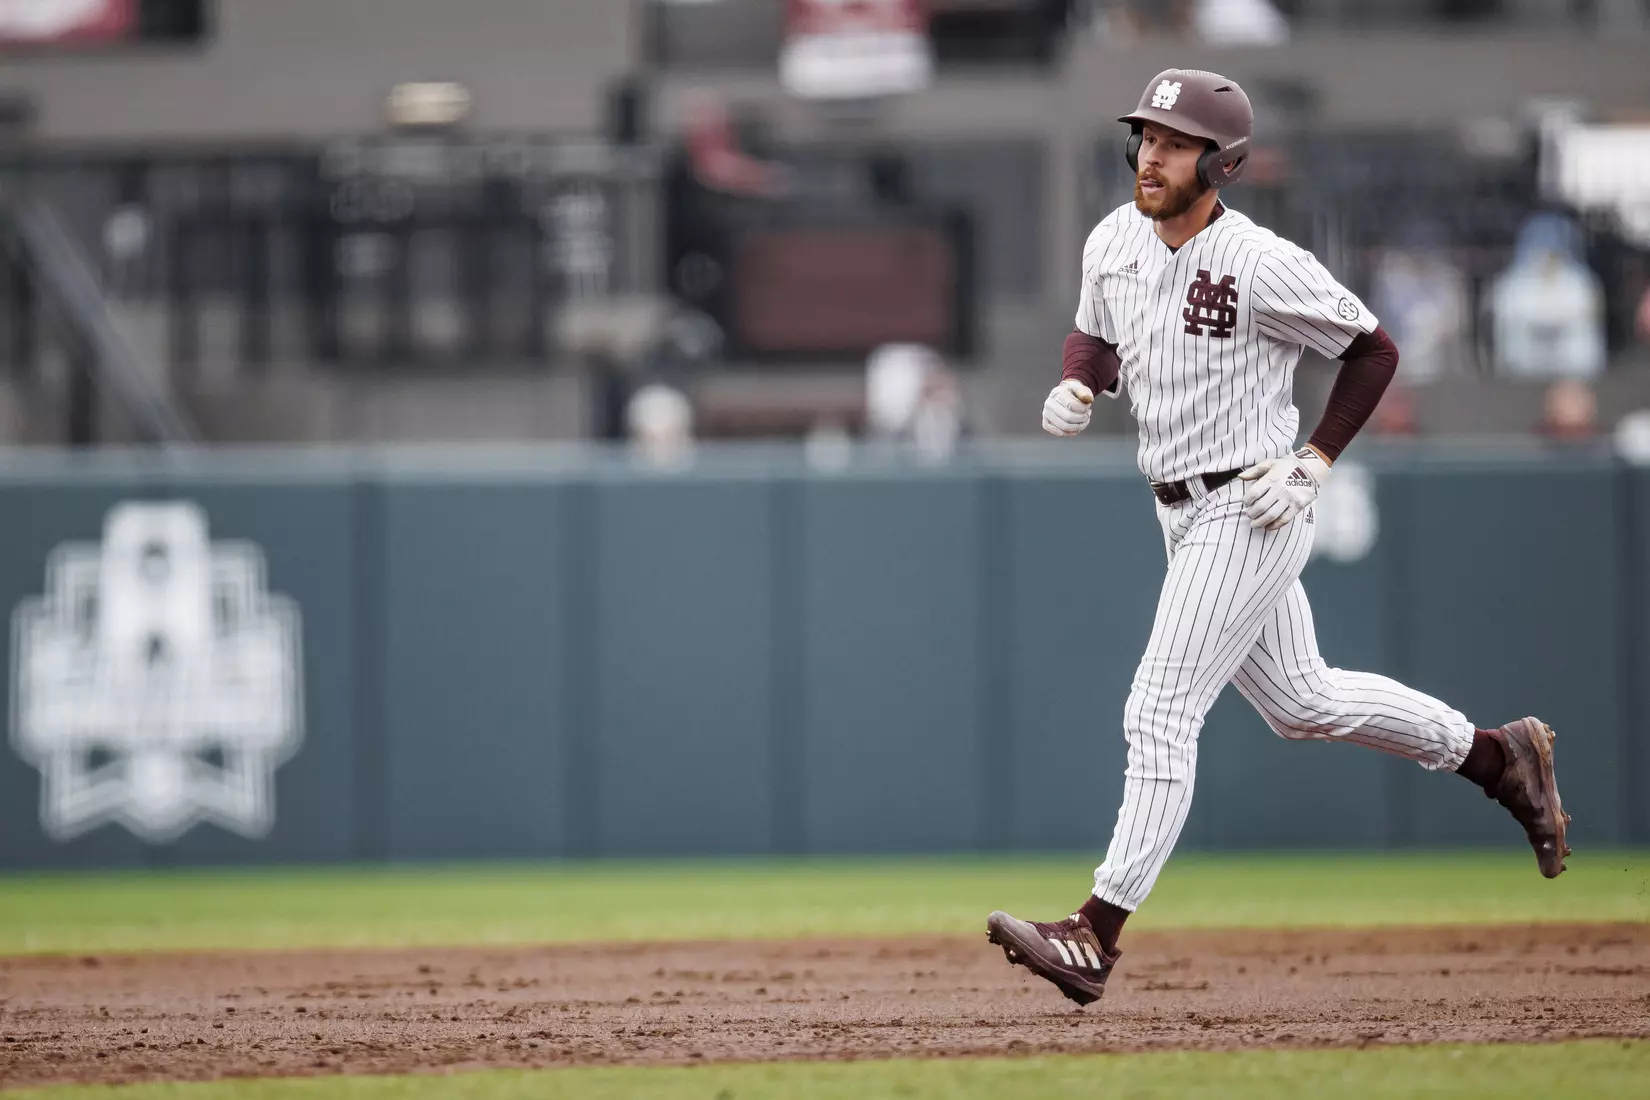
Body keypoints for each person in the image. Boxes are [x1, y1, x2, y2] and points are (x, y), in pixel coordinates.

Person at [986, 69, 1571, 1008]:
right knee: (1301, 700)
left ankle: (1094, 934)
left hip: (1250, 503)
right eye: (1146, 136)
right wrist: (1082, 382)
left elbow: (1374, 349)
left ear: (1221, 162)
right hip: (1175, 507)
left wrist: (1316, 461)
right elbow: (1094, 336)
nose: (1152, 155)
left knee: (1160, 708)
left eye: (1176, 143)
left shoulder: (1262, 261)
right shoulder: (1112, 239)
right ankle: (1500, 757)